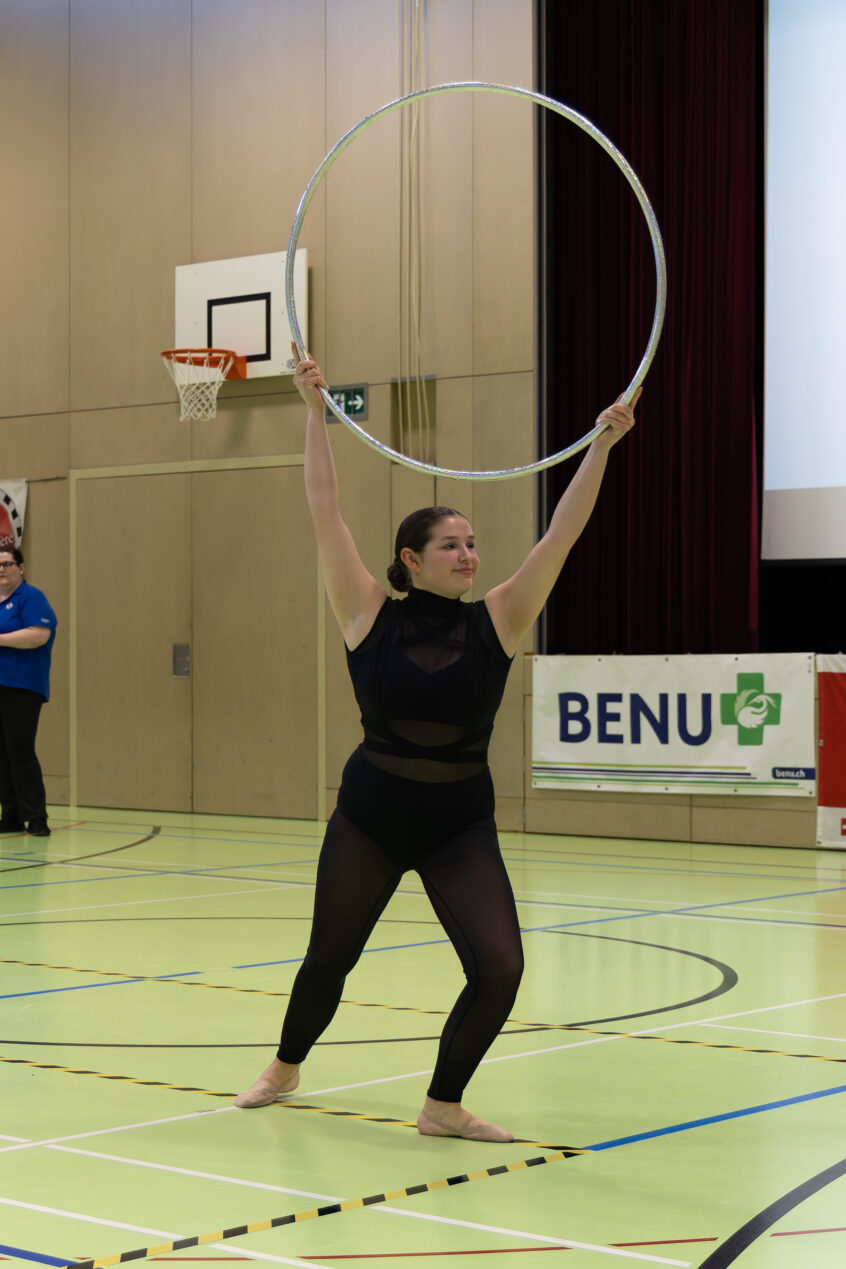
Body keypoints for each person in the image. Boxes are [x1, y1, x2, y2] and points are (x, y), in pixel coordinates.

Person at [235, 346, 639, 1141]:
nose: (469, 554)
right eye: (451, 544)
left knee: (501, 966)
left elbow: (561, 536)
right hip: (372, 816)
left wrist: (601, 447)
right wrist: (315, 414)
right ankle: (284, 1065)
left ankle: (442, 1105)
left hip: (459, 822)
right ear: (411, 559)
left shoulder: (501, 617)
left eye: (473, 542)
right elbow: (325, 510)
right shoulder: (365, 610)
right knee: (330, 957)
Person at [0, 546, 57, 838]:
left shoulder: (31, 597)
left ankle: (36, 817)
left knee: (20, 750)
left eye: (7, 564)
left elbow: (38, 635)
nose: (1, 570)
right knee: (1, 753)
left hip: (22, 685)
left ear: (20, 568)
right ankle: (10, 815)